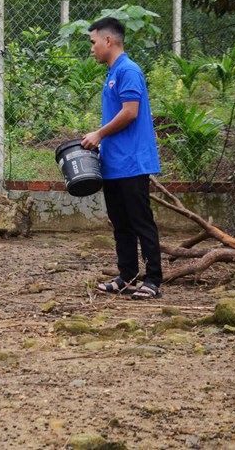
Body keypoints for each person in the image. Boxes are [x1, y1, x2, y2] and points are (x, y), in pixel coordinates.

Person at [80, 17, 163, 300]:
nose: (91, 48)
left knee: (141, 222)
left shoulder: (128, 70)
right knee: (121, 224)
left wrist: (99, 134)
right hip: (114, 163)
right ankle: (127, 276)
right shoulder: (113, 72)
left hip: (133, 162)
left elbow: (130, 112)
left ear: (108, 40)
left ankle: (153, 280)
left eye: (93, 42)